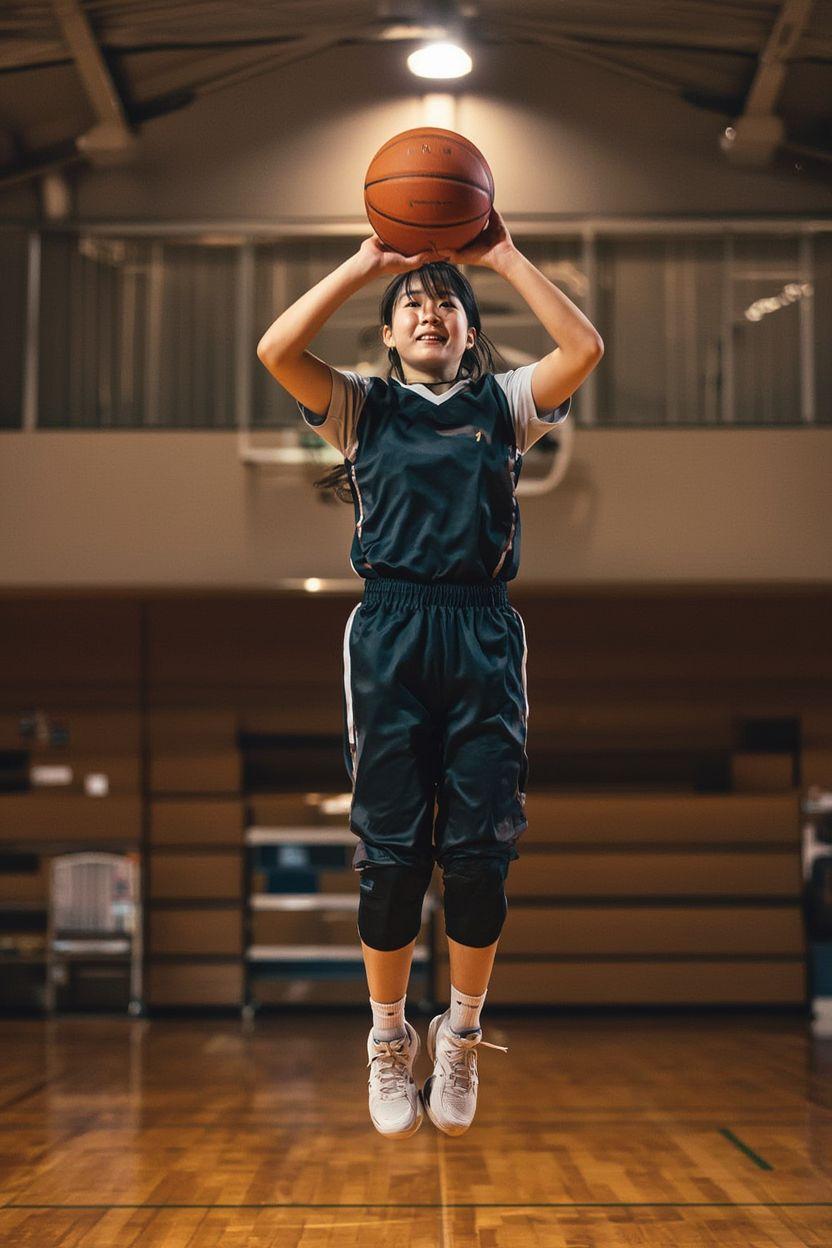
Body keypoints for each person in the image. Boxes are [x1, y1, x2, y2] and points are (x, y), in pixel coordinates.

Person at [257, 208, 604, 1139]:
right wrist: (365, 262)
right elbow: (276, 348)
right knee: (391, 860)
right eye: (411, 302)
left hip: (483, 629)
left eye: (447, 302)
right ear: (387, 329)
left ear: (470, 331)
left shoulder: (506, 404)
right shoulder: (363, 406)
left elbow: (584, 347)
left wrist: (503, 255)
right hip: (392, 631)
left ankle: (461, 1034)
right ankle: (386, 1037)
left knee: (482, 855)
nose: (429, 311)